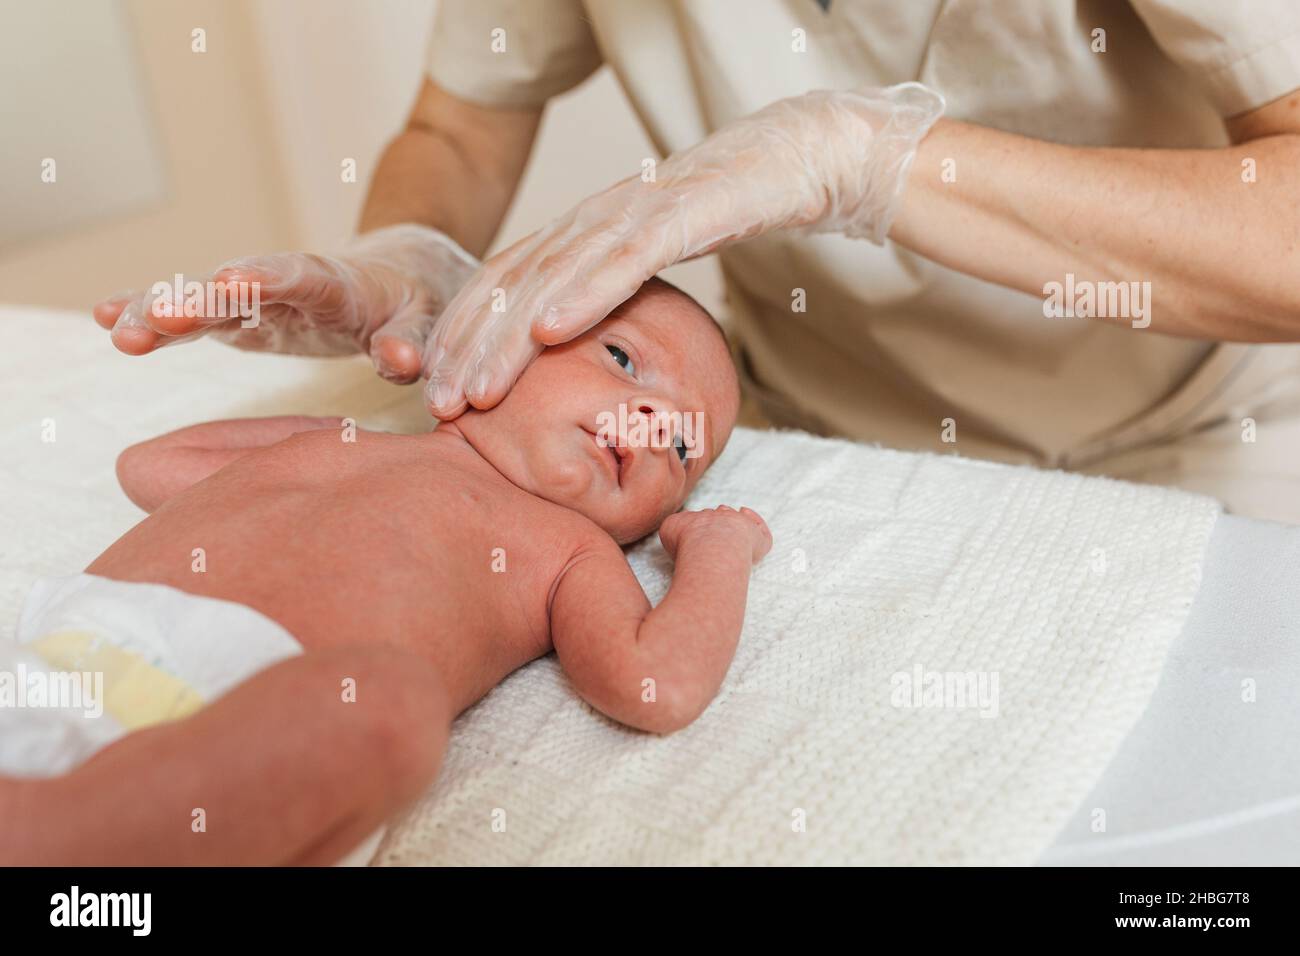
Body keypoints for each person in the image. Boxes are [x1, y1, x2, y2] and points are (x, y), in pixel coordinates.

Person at [93, 1, 1300, 521]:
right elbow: (458, 127)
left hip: (1201, 434)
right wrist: (408, 254)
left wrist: (865, 158)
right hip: (818, 436)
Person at [2, 279, 769, 864]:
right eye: (624, 359)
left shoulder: (568, 550)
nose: (654, 420)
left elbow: (652, 686)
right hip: (57, 670)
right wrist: (326, 431)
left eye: (682, 449)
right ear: (497, 345)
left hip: (246, 747)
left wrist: (717, 555)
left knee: (386, 708)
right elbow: (152, 465)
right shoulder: (351, 442)